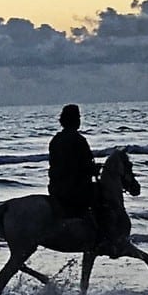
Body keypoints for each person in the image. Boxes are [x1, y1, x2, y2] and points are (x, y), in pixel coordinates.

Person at [46, 103, 106, 245]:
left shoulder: (55, 140)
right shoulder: (78, 140)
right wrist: (94, 169)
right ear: (75, 120)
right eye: (78, 118)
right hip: (74, 189)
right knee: (102, 198)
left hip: (55, 187)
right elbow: (81, 166)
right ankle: (101, 237)